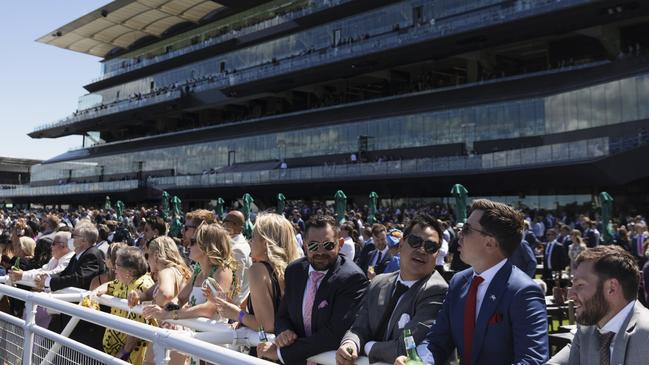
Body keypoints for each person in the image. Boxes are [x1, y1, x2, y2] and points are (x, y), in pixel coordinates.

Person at [396, 199, 548, 365]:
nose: (459, 233)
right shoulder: (459, 282)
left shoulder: (523, 292)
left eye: (467, 229)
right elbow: (437, 340)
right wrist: (421, 362)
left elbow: (532, 360)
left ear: (490, 243)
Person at [336, 215, 448, 364]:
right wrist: (350, 344)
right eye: (415, 242)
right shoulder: (378, 282)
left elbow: (406, 350)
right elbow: (358, 328)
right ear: (401, 243)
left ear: (436, 254)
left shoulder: (437, 291)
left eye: (430, 247)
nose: (422, 250)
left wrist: (367, 347)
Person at [257, 215, 368, 364]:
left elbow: (334, 334)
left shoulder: (352, 278)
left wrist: (281, 353)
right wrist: (284, 331)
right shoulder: (294, 271)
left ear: (339, 244)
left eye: (328, 245)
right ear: (305, 245)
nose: (320, 252)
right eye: (314, 246)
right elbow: (283, 316)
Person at [205, 213, 300, 356]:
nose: (250, 241)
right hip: (286, 353)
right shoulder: (292, 270)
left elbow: (266, 325)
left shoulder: (257, 270)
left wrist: (237, 314)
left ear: (266, 242)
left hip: (265, 352)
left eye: (254, 236)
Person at [547, 246, 649, 364]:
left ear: (611, 288)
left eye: (580, 285)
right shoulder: (587, 330)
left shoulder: (646, 334)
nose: (570, 295)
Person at [129, 236, 191, 365]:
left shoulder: (166, 271)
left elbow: (165, 294)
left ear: (156, 255)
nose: (147, 261)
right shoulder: (181, 271)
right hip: (181, 329)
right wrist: (138, 296)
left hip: (169, 329)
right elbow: (148, 293)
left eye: (148, 256)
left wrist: (156, 306)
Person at [92, 247, 154, 364]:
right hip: (119, 353)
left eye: (117, 266)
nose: (114, 269)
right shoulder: (124, 281)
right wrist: (95, 294)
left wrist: (124, 352)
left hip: (132, 354)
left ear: (129, 271)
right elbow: (110, 285)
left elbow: (137, 327)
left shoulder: (142, 286)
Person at [221, 210, 252, 306]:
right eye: (224, 221)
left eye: (227, 222)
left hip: (231, 306)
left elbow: (236, 283)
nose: (224, 224)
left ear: (239, 227)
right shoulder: (233, 243)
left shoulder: (238, 249)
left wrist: (228, 307)